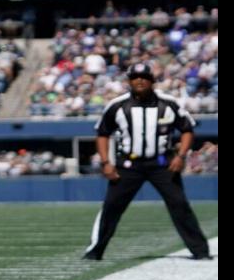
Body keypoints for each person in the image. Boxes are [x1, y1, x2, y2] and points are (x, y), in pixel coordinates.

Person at [83, 62, 212, 261]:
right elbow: (102, 133)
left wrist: (180, 156)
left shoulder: (168, 103)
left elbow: (187, 129)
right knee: (112, 206)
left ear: (152, 80)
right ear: (129, 81)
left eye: (144, 77)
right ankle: (95, 251)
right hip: (128, 165)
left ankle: (201, 251)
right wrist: (106, 162)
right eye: (135, 77)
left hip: (162, 164)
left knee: (179, 204)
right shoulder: (117, 105)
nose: (140, 80)